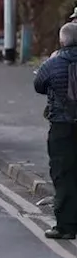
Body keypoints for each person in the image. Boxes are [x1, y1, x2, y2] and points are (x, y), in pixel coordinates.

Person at [33, 22, 77, 239]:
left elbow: (38, 84)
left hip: (62, 124)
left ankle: (65, 226)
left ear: (62, 40)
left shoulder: (55, 62)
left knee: (63, 174)